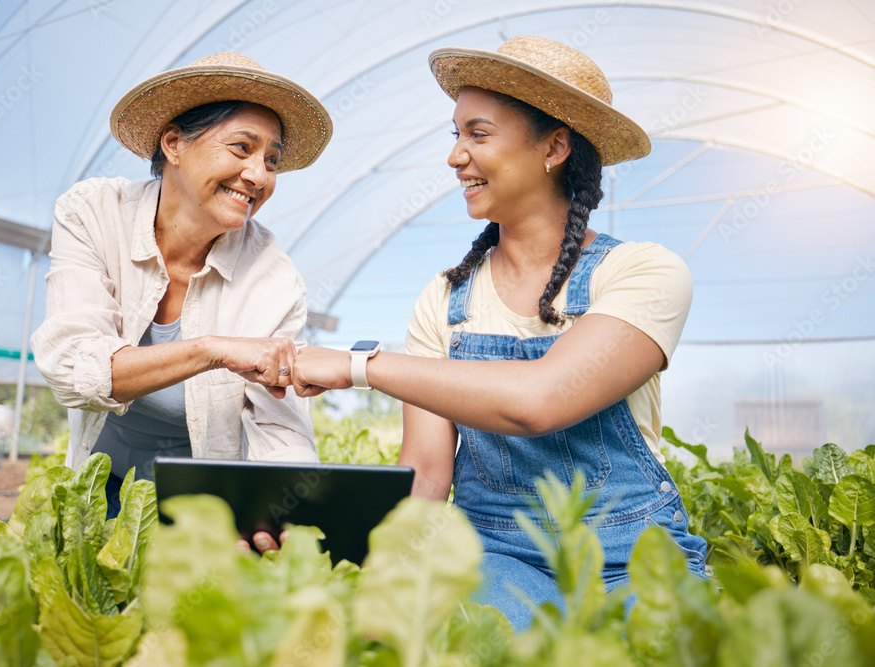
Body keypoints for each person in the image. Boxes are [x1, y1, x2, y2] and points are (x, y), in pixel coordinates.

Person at [291, 36, 708, 630]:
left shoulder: (643, 272)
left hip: (635, 556)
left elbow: (541, 400)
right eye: (455, 135)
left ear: (555, 147)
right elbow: (428, 476)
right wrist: (366, 578)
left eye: (478, 134)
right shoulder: (445, 299)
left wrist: (358, 366)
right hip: (496, 556)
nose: (456, 156)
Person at [30, 53, 333, 523]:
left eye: (271, 160)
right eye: (241, 148)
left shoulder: (273, 279)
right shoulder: (93, 214)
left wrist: (288, 515)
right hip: (100, 483)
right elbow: (72, 366)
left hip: (207, 504)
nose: (258, 176)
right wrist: (213, 349)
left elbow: (282, 430)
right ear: (173, 142)